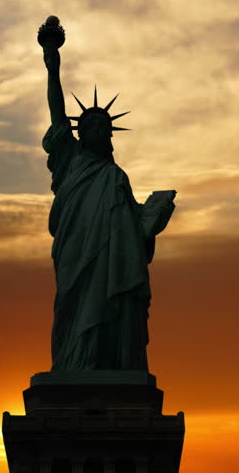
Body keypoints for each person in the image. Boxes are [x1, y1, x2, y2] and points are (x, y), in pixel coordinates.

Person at [40, 45, 174, 371]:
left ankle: (107, 361)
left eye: (104, 127)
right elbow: (58, 115)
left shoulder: (116, 175)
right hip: (76, 250)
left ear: (111, 136)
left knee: (111, 304)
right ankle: (73, 364)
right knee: (72, 305)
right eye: (91, 127)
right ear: (80, 134)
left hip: (113, 257)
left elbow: (132, 225)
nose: (99, 131)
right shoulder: (70, 161)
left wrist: (153, 216)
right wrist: (52, 64)